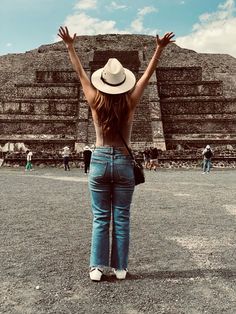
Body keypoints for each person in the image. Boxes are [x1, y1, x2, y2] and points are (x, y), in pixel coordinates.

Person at [58, 26, 175, 281]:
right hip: (123, 162)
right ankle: (120, 268)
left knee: (101, 218)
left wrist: (70, 46)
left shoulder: (94, 101)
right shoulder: (130, 102)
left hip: (99, 160)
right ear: (123, 82)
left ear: (103, 82)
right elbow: (147, 75)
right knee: (121, 217)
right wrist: (158, 49)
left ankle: (97, 268)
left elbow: (79, 72)